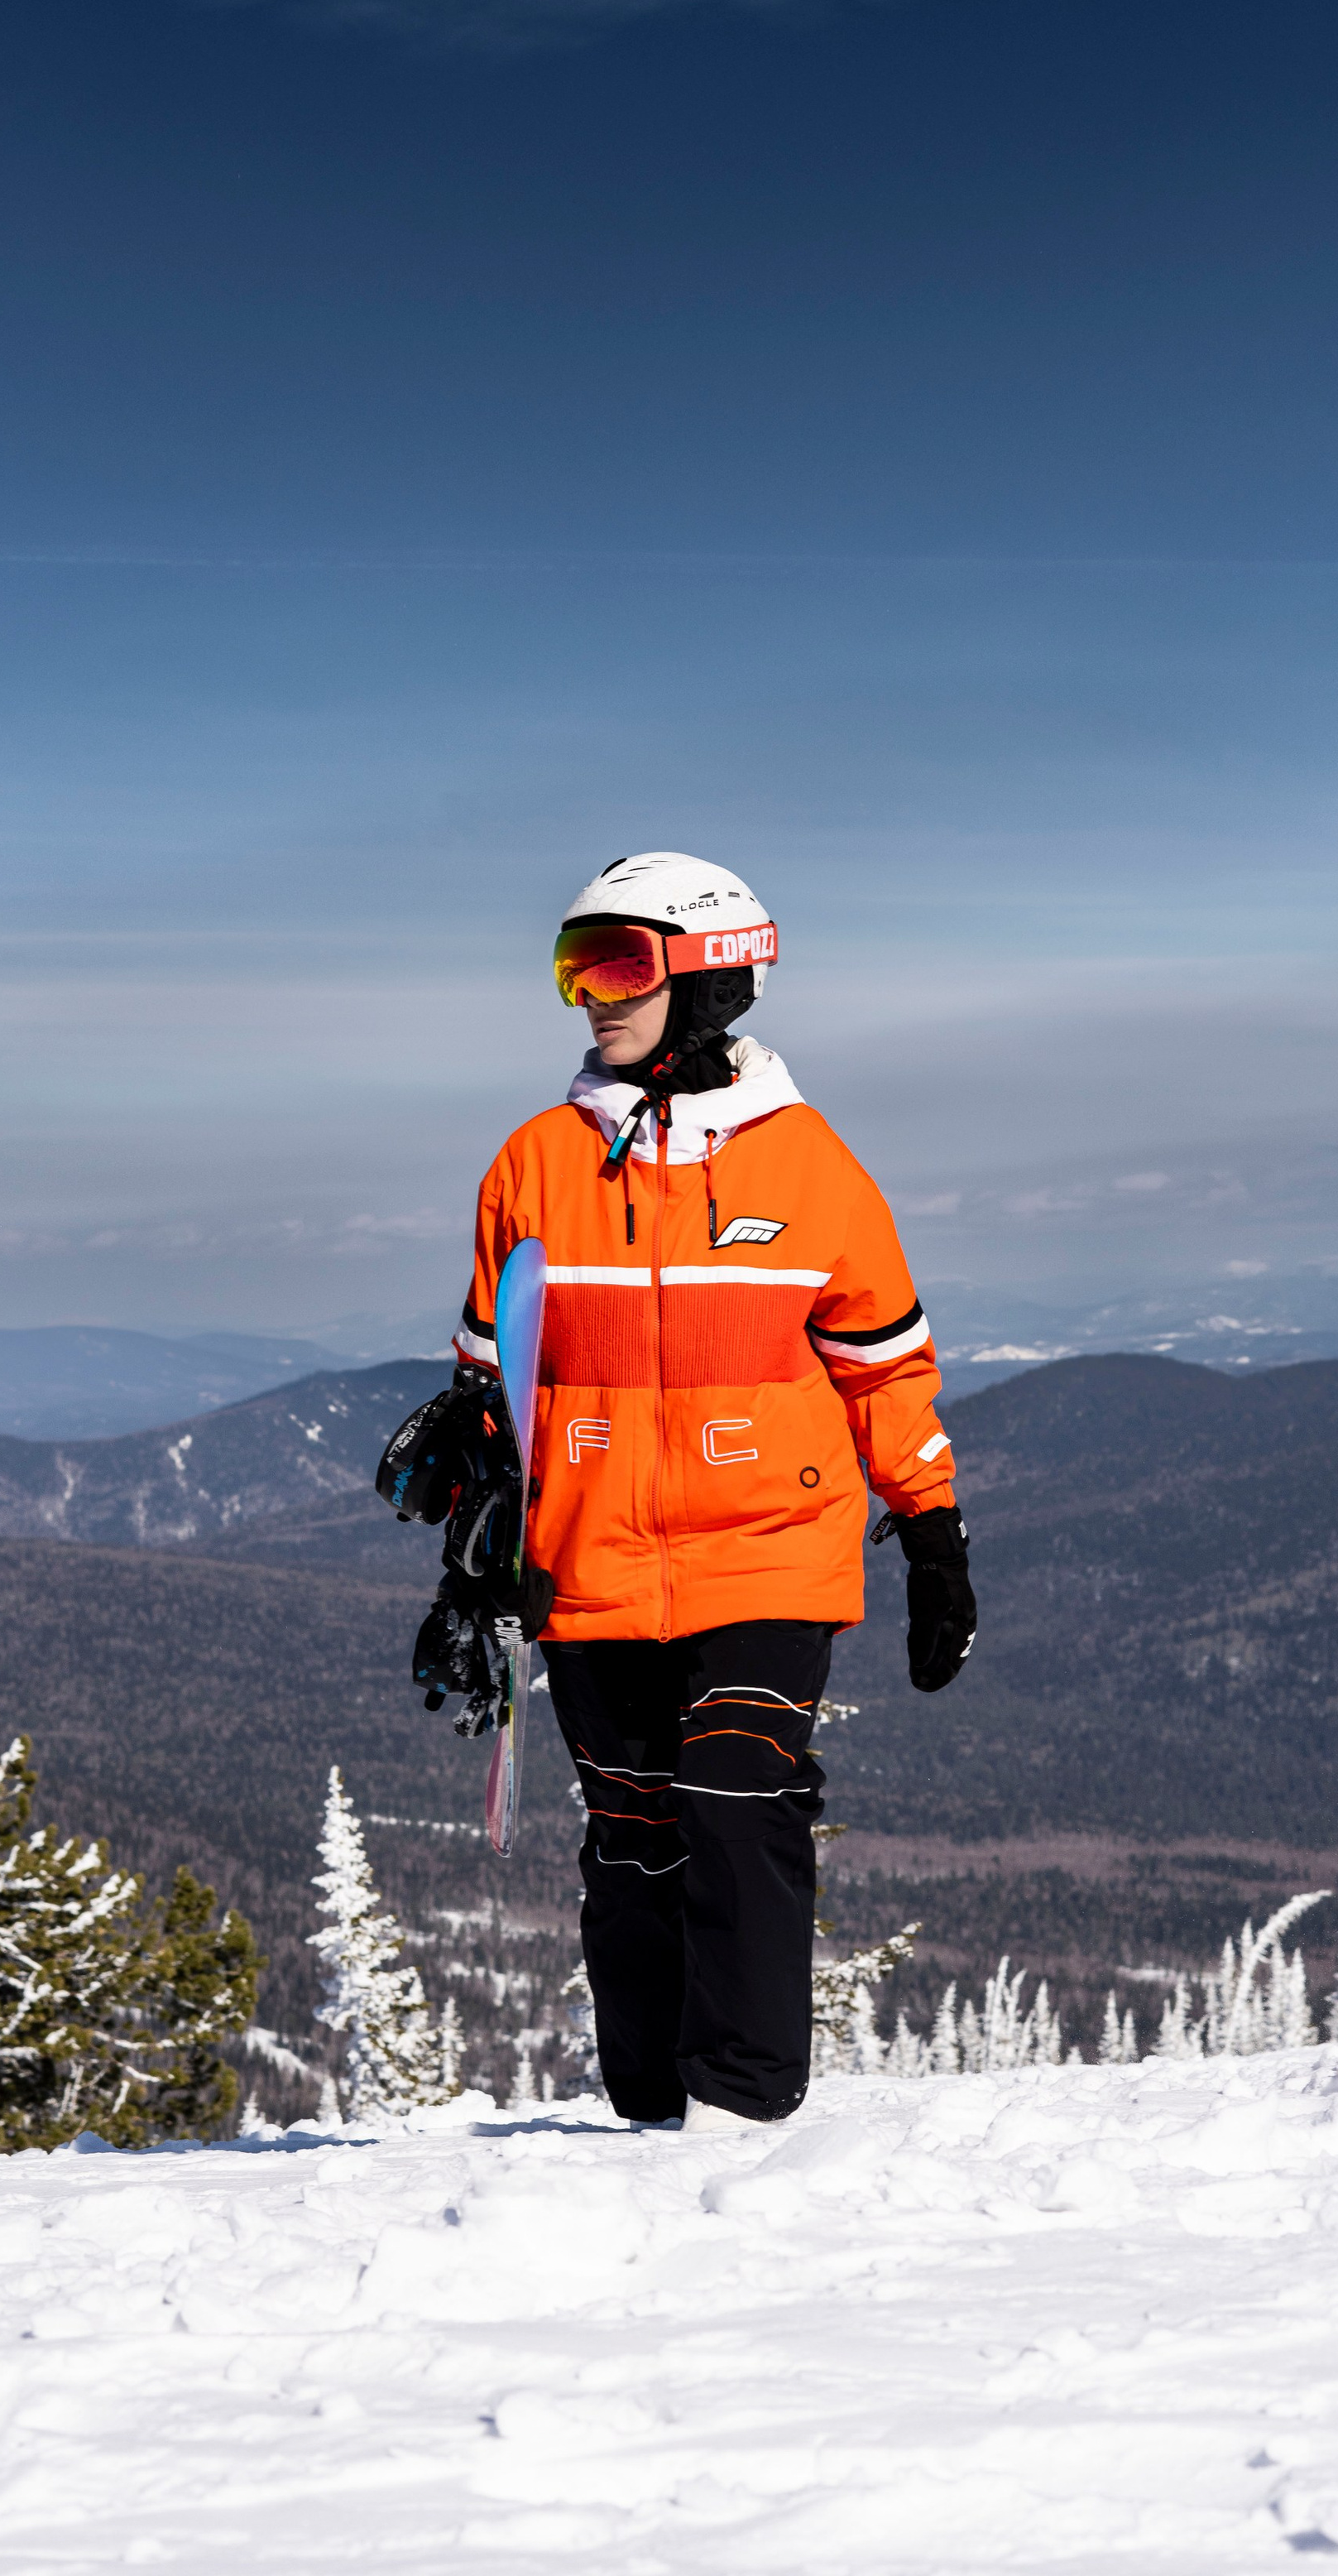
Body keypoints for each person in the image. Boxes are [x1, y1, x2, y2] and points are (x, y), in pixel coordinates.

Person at [376, 851, 976, 2131]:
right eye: (573, 967)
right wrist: (472, 1553)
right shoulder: (535, 1167)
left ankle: (750, 2114)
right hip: (588, 1558)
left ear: (709, 975)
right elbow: (494, 1384)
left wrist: (932, 1530)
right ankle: (648, 2116)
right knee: (635, 1832)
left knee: (736, 1793)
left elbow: (885, 1370)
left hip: (768, 1546)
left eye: (622, 963)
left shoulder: (811, 1170)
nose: (592, 994)